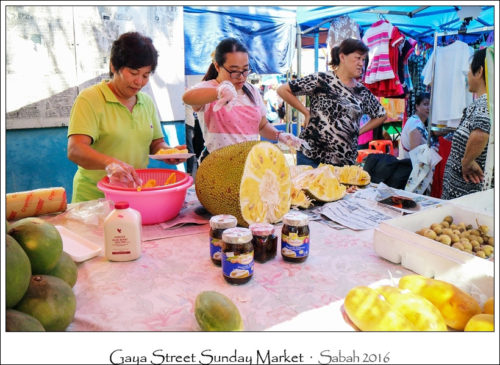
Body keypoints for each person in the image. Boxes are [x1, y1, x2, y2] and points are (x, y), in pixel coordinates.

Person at [67, 32, 183, 202]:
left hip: (135, 195)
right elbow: (75, 150)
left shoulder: (146, 102)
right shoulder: (90, 99)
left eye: (145, 75)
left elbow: (156, 143)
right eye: (134, 73)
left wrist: (168, 152)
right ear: (114, 66)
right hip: (95, 200)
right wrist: (110, 163)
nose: (139, 82)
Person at [182, 37, 302, 160]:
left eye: (245, 70)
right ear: (217, 66)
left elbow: (261, 126)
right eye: (234, 71)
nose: (241, 77)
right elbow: (187, 98)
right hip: (217, 165)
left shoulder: (252, 91)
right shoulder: (209, 88)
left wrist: (279, 135)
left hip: (249, 164)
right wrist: (218, 92)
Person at [277, 38, 387, 167]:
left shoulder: (361, 91)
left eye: (363, 59)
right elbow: (283, 90)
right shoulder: (322, 79)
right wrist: (306, 113)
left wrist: (358, 132)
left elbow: (381, 115)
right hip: (312, 156)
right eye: (357, 58)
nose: (361, 63)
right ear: (342, 57)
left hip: (343, 161)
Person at [441, 48, 491, 200]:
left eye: (469, 70)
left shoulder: (485, 102)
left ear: (480, 71)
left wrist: (467, 161)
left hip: (467, 194)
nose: (467, 75)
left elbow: (481, 131)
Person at [399, 93, 438, 159]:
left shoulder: (416, 121)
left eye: (431, 105)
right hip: (412, 167)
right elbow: (415, 154)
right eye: (425, 104)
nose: (429, 108)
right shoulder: (416, 124)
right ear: (417, 106)